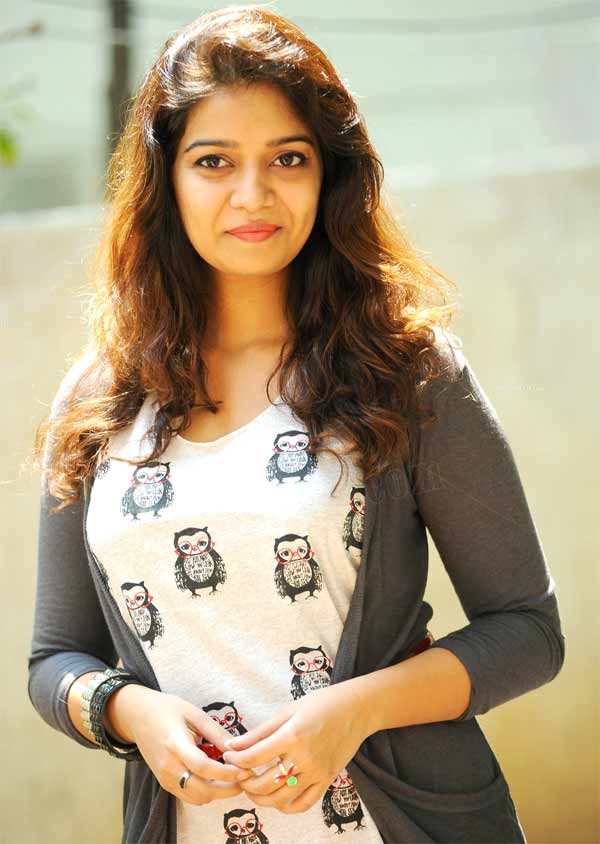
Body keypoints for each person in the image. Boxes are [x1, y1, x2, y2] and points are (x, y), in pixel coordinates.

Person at [27, 5, 565, 843]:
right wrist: (131, 712)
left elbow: (527, 632)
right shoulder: (102, 398)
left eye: (288, 158)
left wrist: (353, 711)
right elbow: (55, 659)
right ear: (166, 179)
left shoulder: (407, 371)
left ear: (328, 174)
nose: (254, 194)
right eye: (213, 161)